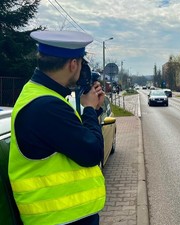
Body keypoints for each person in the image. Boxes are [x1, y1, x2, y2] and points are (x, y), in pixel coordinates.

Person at [8, 30, 106, 225]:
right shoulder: (47, 106)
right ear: (73, 64)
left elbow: (75, 142)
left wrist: (91, 111)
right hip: (59, 219)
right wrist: (89, 108)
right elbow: (92, 152)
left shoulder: (39, 95)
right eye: (81, 63)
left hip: (64, 217)